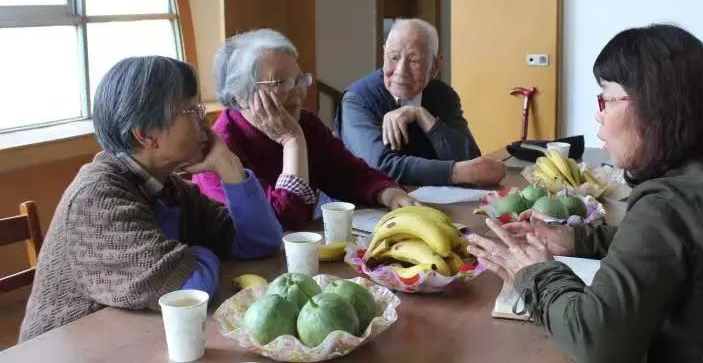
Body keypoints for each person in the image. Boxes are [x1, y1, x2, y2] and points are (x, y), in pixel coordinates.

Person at [467, 24, 703, 362]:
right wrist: (578, 241)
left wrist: (533, 272)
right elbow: (676, 247)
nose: (599, 115)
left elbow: (597, 341)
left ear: (655, 107)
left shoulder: (670, 202)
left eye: (607, 99)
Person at [20, 57, 282, 341]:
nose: (205, 121)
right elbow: (189, 290)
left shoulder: (170, 188)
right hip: (65, 348)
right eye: (192, 110)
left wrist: (229, 167)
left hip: (130, 340)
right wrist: (197, 253)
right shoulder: (97, 200)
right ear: (146, 135)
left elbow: (261, 242)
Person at [192, 29, 417, 230]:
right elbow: (282, 221)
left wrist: (387, 192)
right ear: (240, 96)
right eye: (280, 83)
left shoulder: (306, 123)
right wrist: (292, 140)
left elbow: (347, 173)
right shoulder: (219, 152)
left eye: (299, 79)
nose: (298, 91)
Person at [335, 18, 506, 187]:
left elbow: (469, 157)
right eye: (393, 57)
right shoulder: (358, 100)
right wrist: (455, 172)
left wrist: (422, 115)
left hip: (425, 198)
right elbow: (380, 167)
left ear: (435, 66)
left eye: (414, 61)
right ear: (383, 54)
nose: (401, 71)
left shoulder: (442, 95)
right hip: (357, 202)